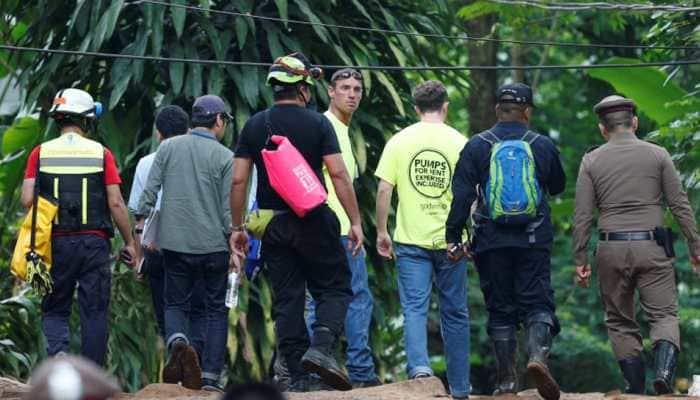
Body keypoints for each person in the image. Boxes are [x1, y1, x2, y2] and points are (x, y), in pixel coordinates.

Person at [229, 52, 362, 392]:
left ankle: (300, 378)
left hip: (273, 225)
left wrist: (237, 228)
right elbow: (338, 174)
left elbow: (239, 181)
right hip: (314, 219)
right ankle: (321, 347)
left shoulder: (255, 125)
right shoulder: (319, 124)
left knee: (287, 299)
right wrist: (356, 222)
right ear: (303, 87)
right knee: (335, 286)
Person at [572, 95, 700, 395]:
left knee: (618, 319)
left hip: (610, 249)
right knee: (664, 314)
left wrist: (580, 258)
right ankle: (664, 375)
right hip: (653, 247)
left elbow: (582, 216)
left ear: (602, 128)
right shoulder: (658, 155)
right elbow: (680, 205)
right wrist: (695, 247)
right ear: (635, 122)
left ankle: (634, 385)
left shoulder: (591, 160)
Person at [446, 83, 565, 400]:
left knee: (500, 308)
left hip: (491, 240)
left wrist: (452, 236)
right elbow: (557, 186)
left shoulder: (477, 145)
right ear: (527, 112)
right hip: (533, 237)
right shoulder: (541, 144)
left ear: (498, 109)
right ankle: (538, 357)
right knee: (538, 301)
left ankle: (506, 382)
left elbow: (462, 195)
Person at [20, 88, 137, 367]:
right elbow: (116, 203)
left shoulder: (41, 153)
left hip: (56, 242)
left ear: (58, 118)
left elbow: (27, 199)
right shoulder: (101, 153)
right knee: (94, 311)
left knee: (55, 307)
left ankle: (59, 356)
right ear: (86, 120)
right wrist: (130, 242)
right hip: (94, 243)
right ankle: (91, 377)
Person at [375, 80, 470, 399]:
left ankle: (420, 371)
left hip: (410, 241)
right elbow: (473, 196)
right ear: (446, 106)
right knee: (454, 310)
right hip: (452, 242)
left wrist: (381, 231)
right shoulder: (461, 142)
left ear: (416, 109)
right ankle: (459, 386)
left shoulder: (399, 141)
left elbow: (385, 189)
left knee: (414, 308)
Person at [136, 95, 234, 392]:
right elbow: (228, 208)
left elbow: (147, 197)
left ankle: (177, 339)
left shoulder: (168, 148)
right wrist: (234, 243)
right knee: (215, 310)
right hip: (215, 245)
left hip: (175, 245)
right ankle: (211, 378)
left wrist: (142, 232)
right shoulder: (226, 157)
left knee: (175, 302)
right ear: (218, 121)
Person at [305, 68, 381, 388]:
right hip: (334, 228)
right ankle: (361, 370)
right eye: (345, 88)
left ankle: (315, 371)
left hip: (319, 228)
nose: (352, 94)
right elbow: (337, 180)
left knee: (318, 298)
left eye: (357, 89)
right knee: (357, 296)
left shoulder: (339, 129)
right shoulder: (327, 126)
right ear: (330, 92)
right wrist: (356, 223)